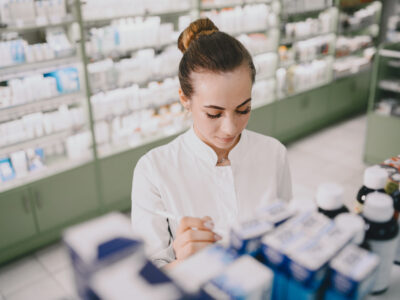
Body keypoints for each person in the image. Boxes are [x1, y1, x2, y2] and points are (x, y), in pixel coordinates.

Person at [131, 18, 292, 269]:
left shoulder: (274, 154)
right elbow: (146, 278)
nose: (230, 128)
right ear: (185, 99)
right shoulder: (153, 170)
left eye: (243, 109)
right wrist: (181, 261)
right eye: (214, 114)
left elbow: (287, 236)